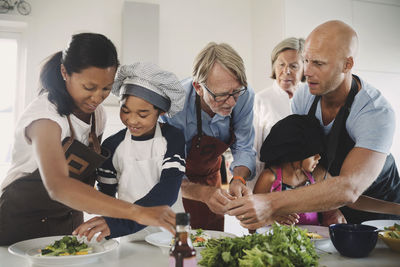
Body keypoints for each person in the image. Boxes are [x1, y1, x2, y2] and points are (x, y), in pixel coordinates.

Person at [0, 33, 175, 246]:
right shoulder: (45, 118)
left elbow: (85, 180)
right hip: (20, 222)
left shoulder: (96, 115)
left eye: (106, 89)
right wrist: (136, 212)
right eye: (89, 87)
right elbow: (59, 186)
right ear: (65, 72)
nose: (97, 98)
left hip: (66, 219)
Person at [227, 20, 400, 228]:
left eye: (318, 63)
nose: (306, 71)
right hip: (331, 201)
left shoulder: (375, 112)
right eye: (306, 61)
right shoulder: (304, 97)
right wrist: (330, 208)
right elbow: (311, 165)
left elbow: (349, 188)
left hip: (379, 207)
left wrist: (270, 203)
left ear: (347, 64)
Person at [72, 63, 186, 241]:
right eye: (125, 111)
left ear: (161, 112)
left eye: (142, 114)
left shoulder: (173, 138)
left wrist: (120, 223)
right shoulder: (112, 145)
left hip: (170, 230)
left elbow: (169, 190)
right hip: (128, 234)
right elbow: (106, 197)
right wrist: (109, 222)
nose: (132, 120)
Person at [161, 42, 256, 231]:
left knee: (213, 244)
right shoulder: (174, 105)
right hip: (177, 186)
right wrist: (202, 193)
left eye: (235, 93)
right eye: (220, 96)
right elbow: (165, 170)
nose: (231, 102)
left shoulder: (244, 95)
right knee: (181, 245)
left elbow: (244, 146)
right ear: (198, 87)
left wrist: (239, 180)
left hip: (212, 178)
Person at [255, 114, 400, 226]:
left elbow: (351, 199)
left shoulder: (317, 174)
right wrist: (272, 219)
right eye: (314, 153)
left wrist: (395, 208)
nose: (319, 158)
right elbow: (252, 220)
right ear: (296, 152)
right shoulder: (270, 178)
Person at [252, 37, 305, 186]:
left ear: (304, 69)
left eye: (294, 66)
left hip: (306, 187)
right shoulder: (261, 100)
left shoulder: (311, 99)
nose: (286, 71)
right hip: (271, 185)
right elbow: (254, 152)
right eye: (281, 64)